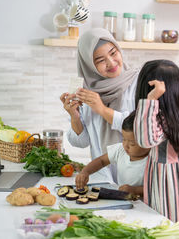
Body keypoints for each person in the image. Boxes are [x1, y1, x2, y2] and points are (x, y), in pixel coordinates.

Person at [134, 59, 179, 228]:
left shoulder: (164, 119)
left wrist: (150, 100)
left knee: (168, 223)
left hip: (169, 178)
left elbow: (146, 139)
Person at [59, 28, 139, 180]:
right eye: (100, 60)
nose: (111, 62)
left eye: (113, 53)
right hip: (103, 176)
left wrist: (101, 109)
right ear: (89, 65)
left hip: (135, 177)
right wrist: (74, 116)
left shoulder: (138, 82)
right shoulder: (86, 92)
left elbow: (142, 129)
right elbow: (80, 142)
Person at [75, 111, 149, 196]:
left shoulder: (153, 160)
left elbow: (156, 188)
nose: (126, 145)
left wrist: (135, 190)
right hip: (124, 201)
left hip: (144, 205)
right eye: (124, 139)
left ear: (149, 142)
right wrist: (85, 172)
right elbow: (101, 161)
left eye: (132, 143)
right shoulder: (120, 150)